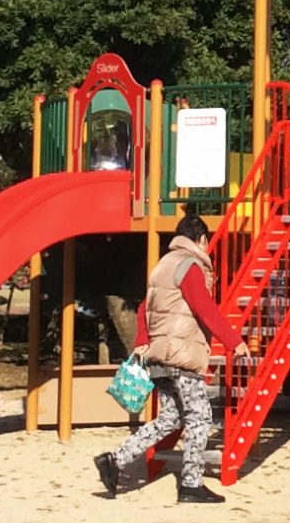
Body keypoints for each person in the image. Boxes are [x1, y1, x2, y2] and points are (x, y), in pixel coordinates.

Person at [96, 212, 240, 504]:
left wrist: (143, 341)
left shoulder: (162, 266)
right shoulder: (190, 266)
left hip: (160, 355)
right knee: (200, 418)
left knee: (170, 419)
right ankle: (190, 483)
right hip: (181, 355)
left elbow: (143, 309)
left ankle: (114, 459)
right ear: (201, 239)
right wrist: (233, 341)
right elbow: (204, 307)